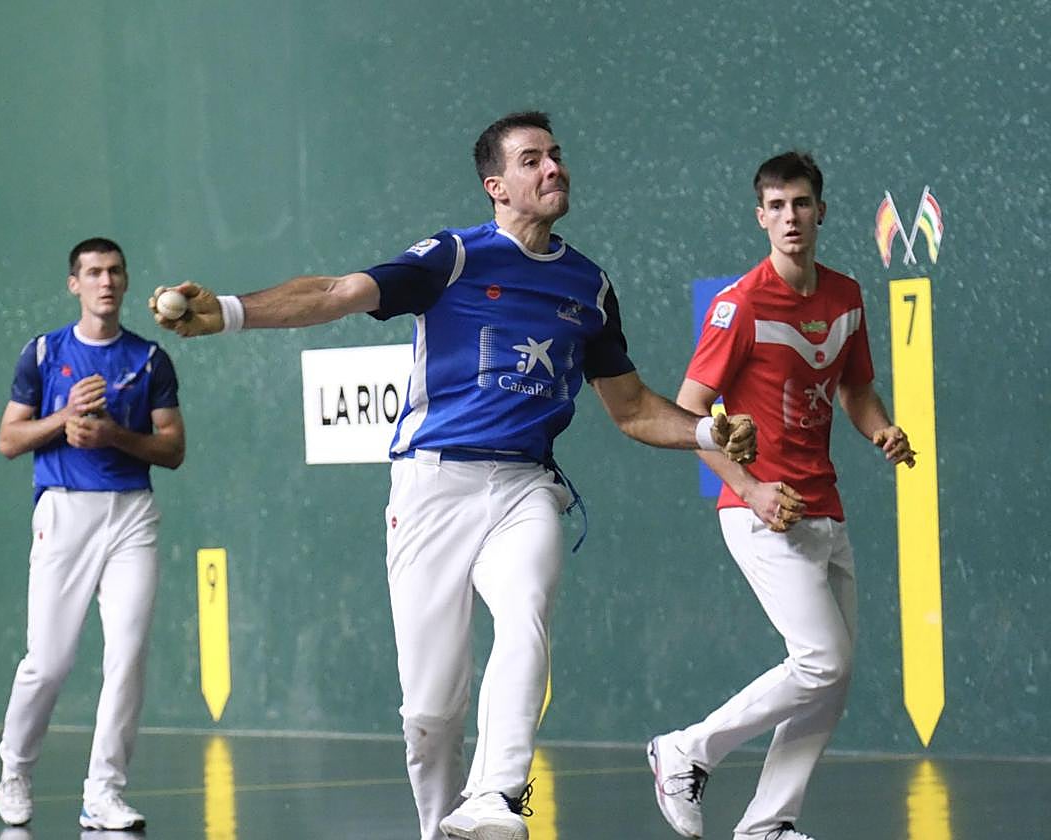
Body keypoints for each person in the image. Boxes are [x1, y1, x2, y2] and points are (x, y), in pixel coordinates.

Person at [151, 111, 755, 840]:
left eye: (557, 155)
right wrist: (232, 312)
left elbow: (629, 408)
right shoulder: (454, 257)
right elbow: (339, 291)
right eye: (533, 160)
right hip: (433, 488)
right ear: (496, 186)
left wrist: (703, 429)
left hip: (525, 486)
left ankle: (499, 794)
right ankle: (444, 826)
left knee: (528, 609)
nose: (553, 168)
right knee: (431, 712)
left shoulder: (588, 286)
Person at [648, 151, 917, 840]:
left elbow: (855, 388)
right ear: (760, 216)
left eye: (801, 203)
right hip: (757, 511)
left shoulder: (847, 295)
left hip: (824, 507)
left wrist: (881, 429)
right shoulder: (739, 305)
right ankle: (685, 750)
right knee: (822, 661)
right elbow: (689, 411)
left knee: (833, 677)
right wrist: (752, 487)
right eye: (776, 205)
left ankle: (769, 823)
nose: (790, 217)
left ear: (820, 211)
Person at [0, 237, 186, 831]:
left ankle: (103, 791)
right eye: (94, 273)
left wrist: (113, 437)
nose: (106, 282)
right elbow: (8, 440)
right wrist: (63, 418)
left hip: (131, 516)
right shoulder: (44, 354)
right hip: (64, 511)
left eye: (115, 272)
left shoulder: (150, 360)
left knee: (127, 658)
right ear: (74, 284)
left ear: (127, 282)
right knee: (48, 663)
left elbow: (173, 449)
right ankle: (15, 768)